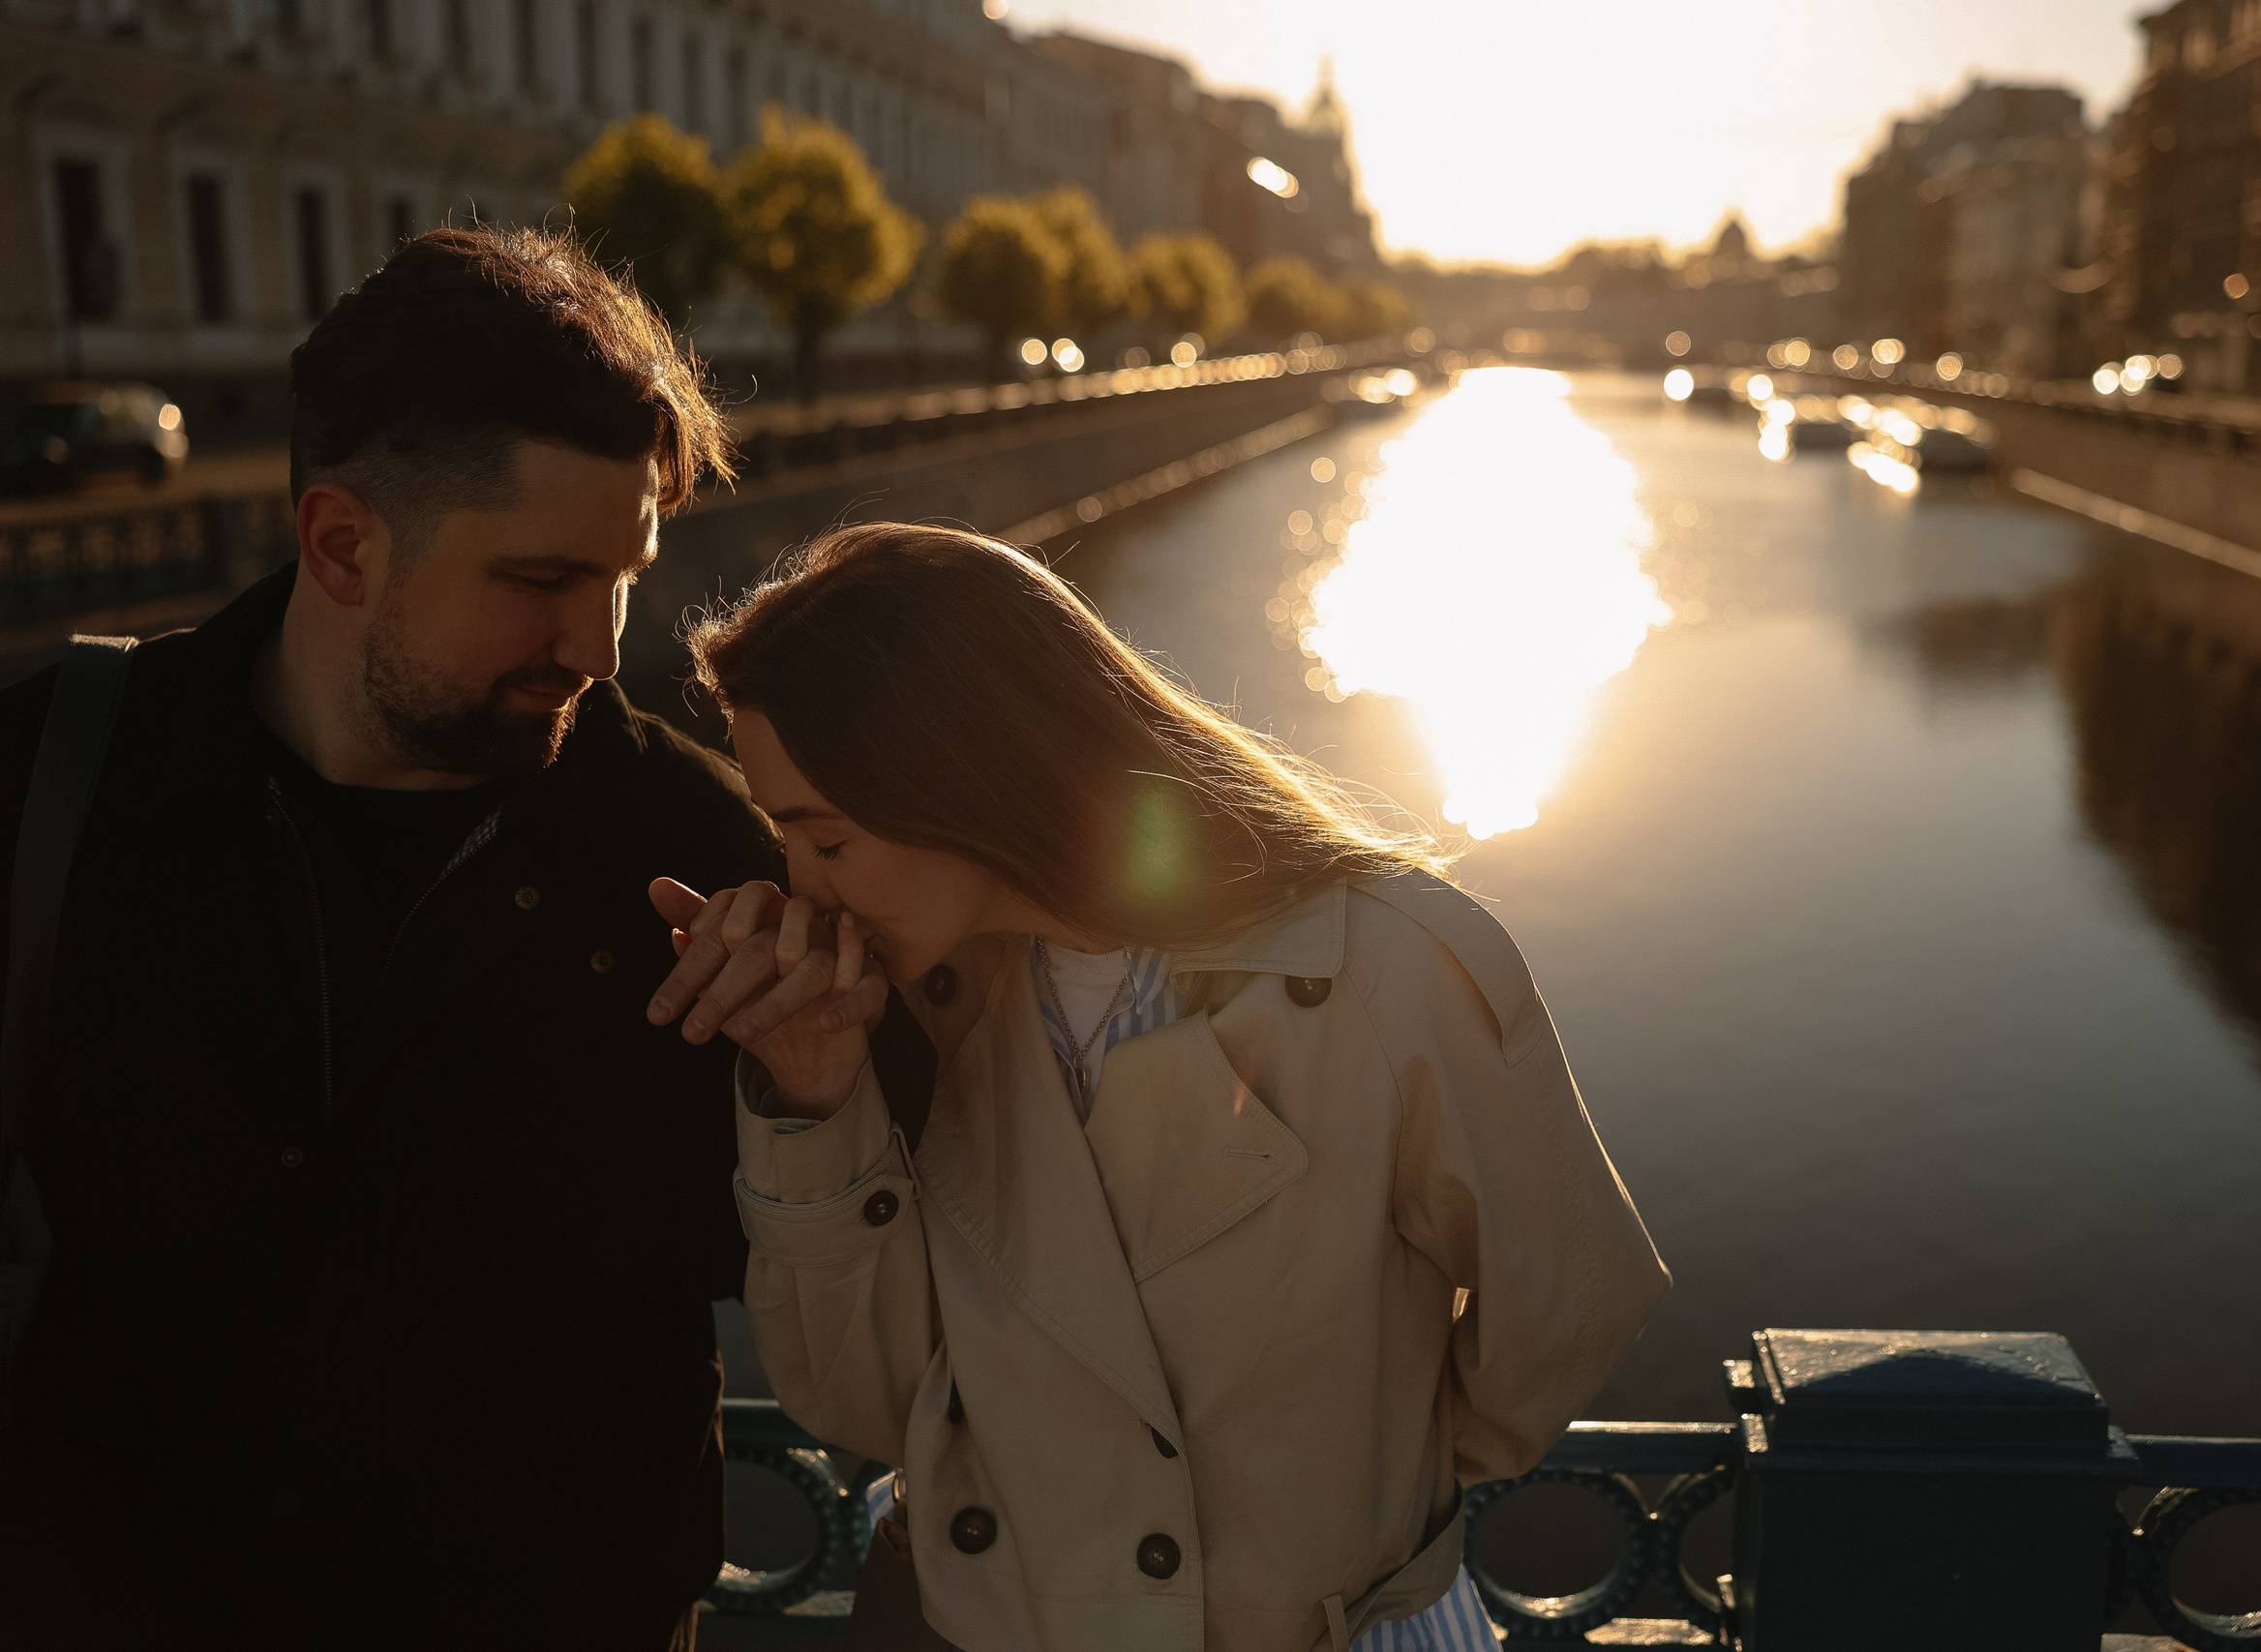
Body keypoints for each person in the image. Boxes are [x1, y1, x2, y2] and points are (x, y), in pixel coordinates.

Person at [0, 226, 833, 1649]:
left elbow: (811, 1313)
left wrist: (813, 1093)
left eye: (622, 577)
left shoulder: (697, 856)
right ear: (340, 542)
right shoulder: (49, 786)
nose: (596, 643)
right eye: (539, 580)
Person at [646, 523, 1669, 1650]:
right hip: (969, 1619)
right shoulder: (915, 1000)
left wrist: (1331, 1507)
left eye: (824, 840)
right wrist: (814, 1092)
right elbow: (861, 1405)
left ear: (963, 780)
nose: (801, 885)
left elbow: (1569, 1306)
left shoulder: (1389, 966)